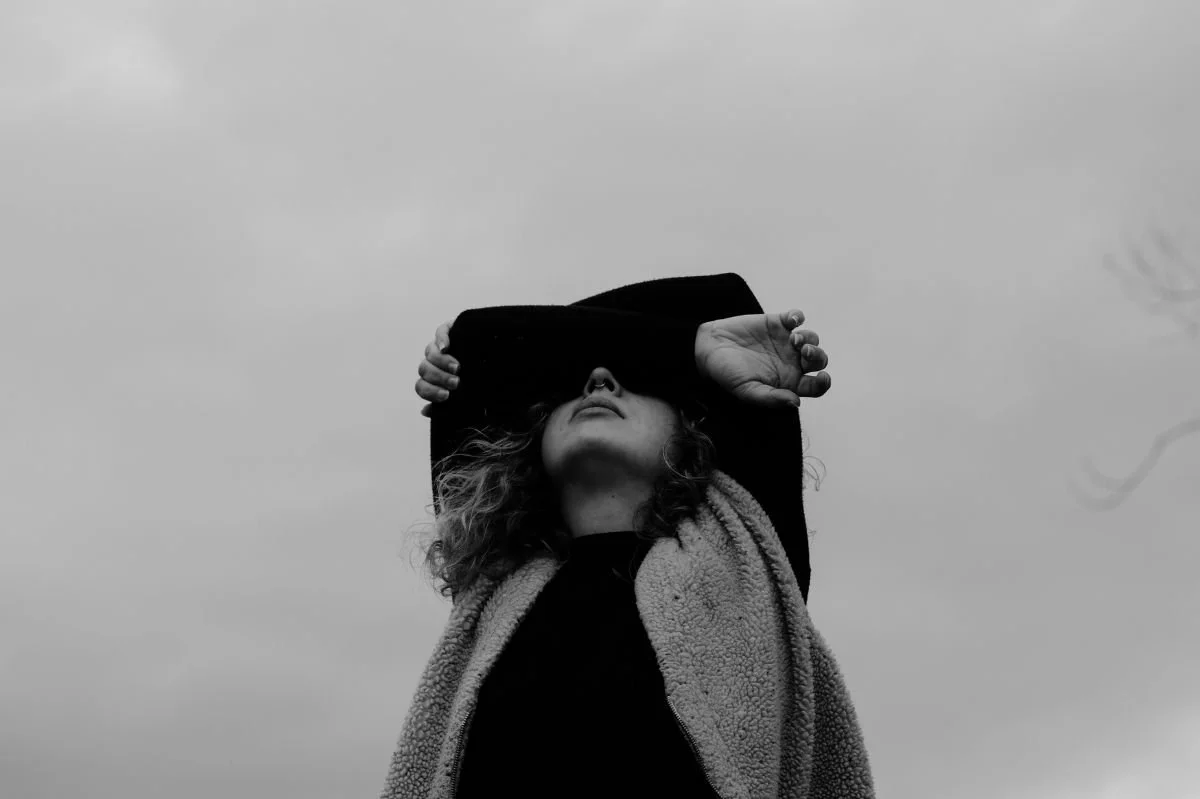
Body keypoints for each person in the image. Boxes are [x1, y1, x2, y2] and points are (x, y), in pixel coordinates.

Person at [385, 308, 873, 799]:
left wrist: (691, 345)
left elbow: (477, 341)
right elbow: (478, 338)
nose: (598, 382)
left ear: (692, 437)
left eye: (637, 382)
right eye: (571, 389)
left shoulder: (745, 553)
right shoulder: (497, 580)